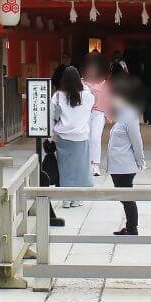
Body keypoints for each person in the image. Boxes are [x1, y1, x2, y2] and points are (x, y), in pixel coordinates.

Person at [105, 73, 146, 235]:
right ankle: (130, 226)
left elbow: (137, 141)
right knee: (124, 197)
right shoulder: (122, 114)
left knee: (126, 197)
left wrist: (140, 161)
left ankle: (132, 228)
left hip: (124, 166)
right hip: (118, 165)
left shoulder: (129, 116)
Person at [51, 66, 95, 208]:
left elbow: (52, 117)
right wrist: (85, 86)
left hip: (63, 137)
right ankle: (76, 198)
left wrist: (50, 136)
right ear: (79, 80)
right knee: (80, 168)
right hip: (81, 136)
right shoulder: (86, 96)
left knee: (65, 169)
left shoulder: (57, 96)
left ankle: (65, 199)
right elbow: (92, 100)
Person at [84, 59, 110, 178]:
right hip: (85, 114)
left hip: (98, 113)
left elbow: (107, 100)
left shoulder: (103, 84)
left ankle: (96, 164)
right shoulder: (81, 83)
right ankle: (87, 163)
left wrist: (108, 114)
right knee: (87, 138)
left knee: (95, 138)